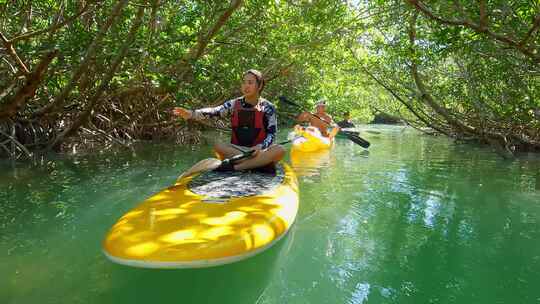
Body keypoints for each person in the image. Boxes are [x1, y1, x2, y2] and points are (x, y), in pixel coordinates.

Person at [172, 69, 285, 172]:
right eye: (244, 82)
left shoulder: (268, 107)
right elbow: (215, 111)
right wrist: (192, 114)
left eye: (250, 83)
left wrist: (260, 147)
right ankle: (257, 164)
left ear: (259, 86)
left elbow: (272, 134)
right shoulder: (234, 104)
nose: (246, 86)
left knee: (279, 150)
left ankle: (235, 167)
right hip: (238, 151)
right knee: (218, 146)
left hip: (259, 151)